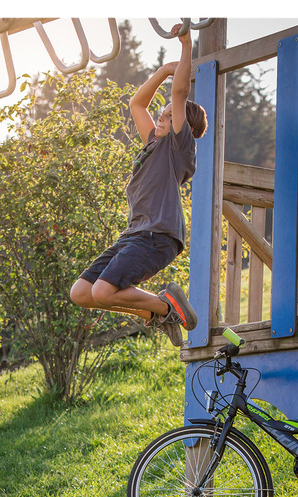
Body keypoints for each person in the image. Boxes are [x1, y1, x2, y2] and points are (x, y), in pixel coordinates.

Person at [70, 23, 206, 347]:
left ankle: (165, 306)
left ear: (181, 125)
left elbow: (179, 93)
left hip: (157, 235)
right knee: (83, 293)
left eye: (169, 116)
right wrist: (162, 70)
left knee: (103, 291)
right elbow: (136, 104)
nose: (161, 117)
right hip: (134, 235)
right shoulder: (152, 144)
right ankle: (155, 314)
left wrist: (185, 47)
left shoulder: (178, 147)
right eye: (161, 115)